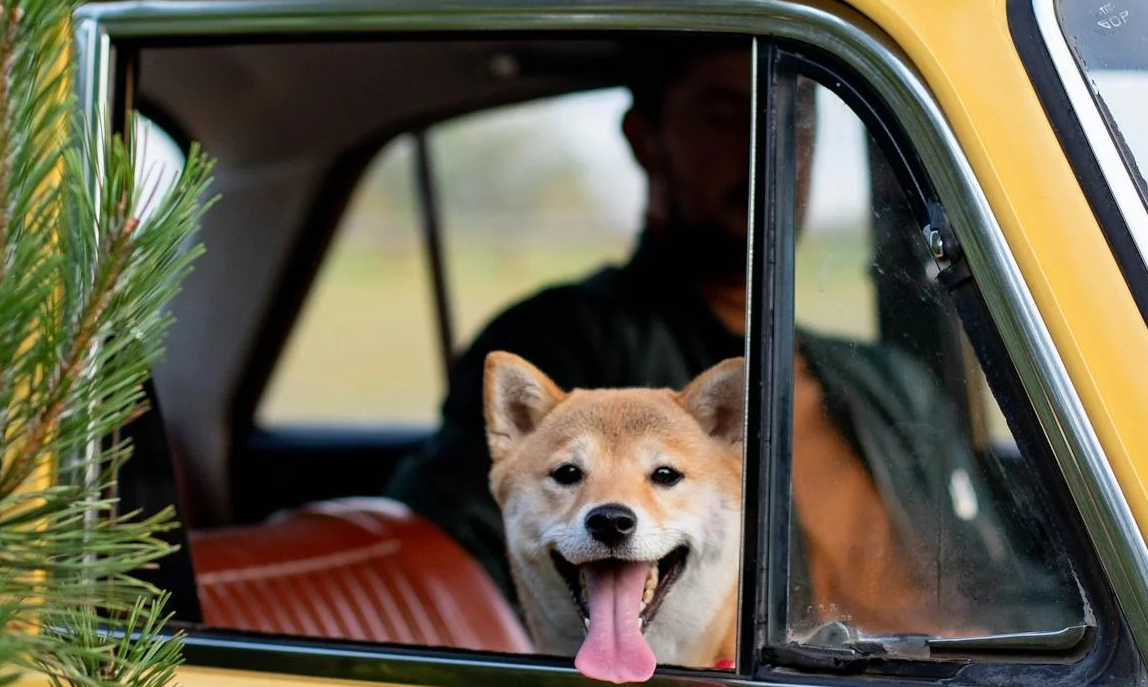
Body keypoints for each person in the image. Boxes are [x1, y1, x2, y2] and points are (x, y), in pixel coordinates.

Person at [385, 35, 1061, 642]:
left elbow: (1001, 582)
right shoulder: (566, 346)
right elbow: (464, 553)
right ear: (646, 140)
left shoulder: (889, 382)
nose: (766, 145)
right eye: (723, 114)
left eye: (793, 117)